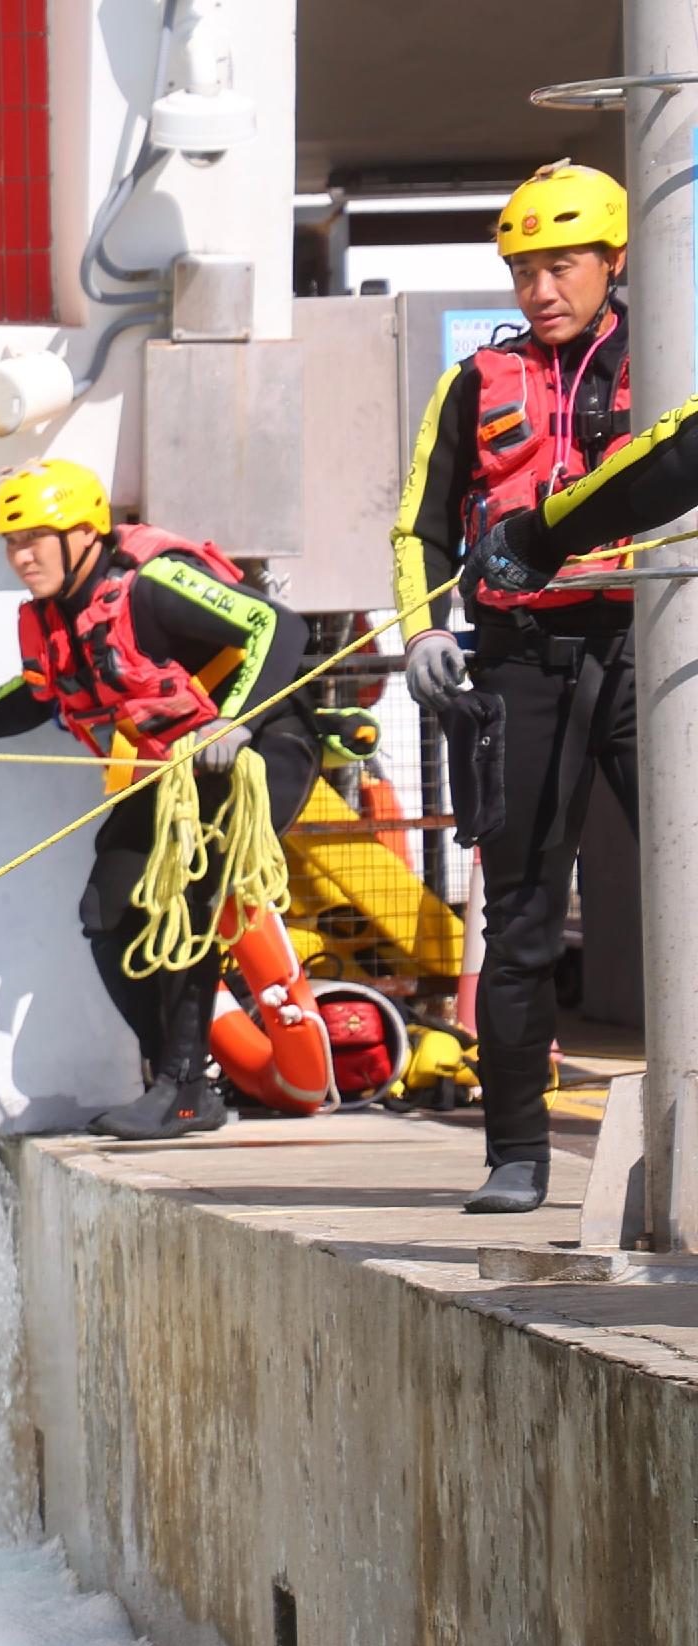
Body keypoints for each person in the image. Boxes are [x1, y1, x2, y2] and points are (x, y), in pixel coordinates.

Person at [0, 459, 317, 1141]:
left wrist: (233, 721)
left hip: (259, 745)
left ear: (84, 534)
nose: (21, 555)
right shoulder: (51, 617)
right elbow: (37, 695)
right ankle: (181, 1079)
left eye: (37, 536)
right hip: (172, 769)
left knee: (190, 895)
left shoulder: (152, 583)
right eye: (11, 541)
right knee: (107, 911)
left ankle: (182, 1090)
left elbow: (279, 629)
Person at [394, 163, 646, 1216]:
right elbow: (420, 525)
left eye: (562, 264)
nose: (540, 288)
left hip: (641, 647)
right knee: (522, 918)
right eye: (522, 269)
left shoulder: (663, 352)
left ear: (613, 262)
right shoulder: (472, 384)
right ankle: (516, 1151)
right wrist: (420, 636)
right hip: (516, 663)